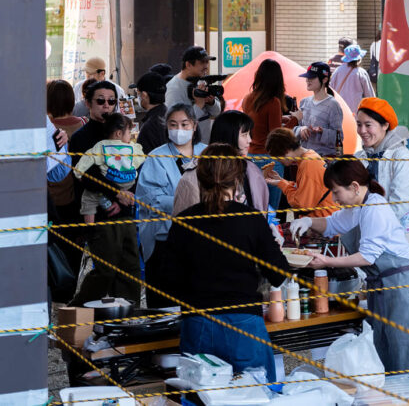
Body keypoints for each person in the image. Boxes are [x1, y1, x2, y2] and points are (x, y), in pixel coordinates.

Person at [290, 158, 409, 372]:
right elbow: (332, 224)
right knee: (384, 357)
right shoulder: (359, 206)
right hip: (383, 289)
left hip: (403, 291)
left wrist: (327, 261)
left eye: (336, 192)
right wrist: (308, 221)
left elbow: (367, 257)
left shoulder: (375, 208)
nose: (334, 199)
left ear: (354, 187)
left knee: (408, 362)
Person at [161, 146, 288, 380]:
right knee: (255, 392)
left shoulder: (183, 222)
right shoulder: (250, 219)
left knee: (200, 394)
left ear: (200, 178)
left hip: (197, 321)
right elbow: (278, 273)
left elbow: (167, 280)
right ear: (237, 179)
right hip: (244, 323)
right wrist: (274, 249)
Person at [68, 102, 142, 305]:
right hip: (102, 215)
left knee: (130, 266)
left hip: (125, 212)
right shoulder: (89, 141)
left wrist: (124, 197)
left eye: (111, 101)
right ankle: (78, 308)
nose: (106, 105)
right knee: (105, 269)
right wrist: (116, 194)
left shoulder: (128, 148)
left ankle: (127, 312)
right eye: (101, 101)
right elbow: (84, 173)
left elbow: (137, 170)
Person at [136, 104, 205, 308]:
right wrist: (191, 200)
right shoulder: (156, 157)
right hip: (165, 241)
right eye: (173, 124)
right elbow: (150, 199)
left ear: (194, 125)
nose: (179, 129)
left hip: (202, 240)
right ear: (166, 127)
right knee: (164, 305)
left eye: (184, 124)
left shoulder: (207, 153)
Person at [355, 98, 409, 265]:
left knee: (400, 277)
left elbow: (400, 203)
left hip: (396, 242)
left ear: (385, 125)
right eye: (359, 124)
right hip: (368, 240)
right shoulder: (359, 157)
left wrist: (375, 229)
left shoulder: (401, 155)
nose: (362, 130)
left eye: (368, 125)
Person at [173, 111, 270, 217]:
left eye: (249, 134)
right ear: (228, 136)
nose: (250, 140)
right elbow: (184, 220)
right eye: (244, 135)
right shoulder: (195, 174)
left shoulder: (250, 168)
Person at [74, 112, 144, 223]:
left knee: (88, 199)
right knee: (132, 197)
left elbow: (88, 158)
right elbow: (141, 159)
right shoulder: (132, 147)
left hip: (109, 181)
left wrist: (78, 172)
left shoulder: (101, 145)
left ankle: (90, 227)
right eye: (129, 132)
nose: (130, 136)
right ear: (119, 133)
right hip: (128, 183)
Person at [263, 128, 337, 217]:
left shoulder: (308, 164)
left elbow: (302, 204)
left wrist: (282, 184)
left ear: (286, 151)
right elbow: (303, 189)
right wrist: (281, 181)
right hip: (323, 216)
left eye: (279, 159)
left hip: (323, 219)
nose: (280, 162)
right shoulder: (309, 156)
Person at [165, 46, 221, 144]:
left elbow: (216, 112)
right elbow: (176, 122)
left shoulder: (201, 81)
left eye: (207, 62)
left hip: (203, 145)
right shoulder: (174, 88)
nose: (206, 66)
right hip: (185, 146)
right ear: (188, 64)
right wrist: (199, 104)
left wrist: (211, 102)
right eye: (202, 62)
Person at [290, 62, 345, 158]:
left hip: (323, 159)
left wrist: (322, 131)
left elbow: (339, 137)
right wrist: (301, 129)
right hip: (304, 157)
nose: (307, 80)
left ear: (324, 79)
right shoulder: (304, 102)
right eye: (307, 77)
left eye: (312, 77)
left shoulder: (333, 105)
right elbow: (294, 130)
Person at [241, 59, 287, 156]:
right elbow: (277, 136)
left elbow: (258, 122)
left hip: (250, 153)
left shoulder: (247, 98)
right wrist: (296, 119)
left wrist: (281, 118)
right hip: (266, 155)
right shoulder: (273, 102)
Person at [330, 44, 375, 114]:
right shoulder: (361, 72)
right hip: (356, 112)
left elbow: (331, 91)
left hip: (339, 109)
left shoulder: (337, 71)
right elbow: (369, 95)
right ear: (359, 59)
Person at [134, 71, 169, 154]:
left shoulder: (150, 125)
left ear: (144, 95)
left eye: (138, 93)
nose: (137, 97)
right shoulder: (169, 115)